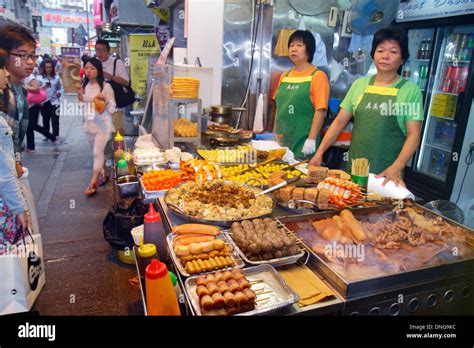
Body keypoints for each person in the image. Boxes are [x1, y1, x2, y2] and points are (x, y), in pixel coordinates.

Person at [310, 27, 423, 187]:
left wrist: (398, 166)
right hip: (354, 170)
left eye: (393, 52)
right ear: (374, 54)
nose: (385, 56)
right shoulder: (359, 85)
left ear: (402, 58)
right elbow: (340, 122)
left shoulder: (410, 90)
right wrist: (319, 152)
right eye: (380, 50)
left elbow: (414, 135)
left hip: (387, 174)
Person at [272, 30, 330, 158]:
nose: (293, 49)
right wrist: (274, 134)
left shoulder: (317, 76)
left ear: (309, 50)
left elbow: (320, 111)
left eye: (299, 45)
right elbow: (279, 108)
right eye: (291, 45)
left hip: (303, 141)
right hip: (282, 140)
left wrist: (311, 139)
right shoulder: (284, 76)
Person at [0, 24, 37, 176]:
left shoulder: (21, 90)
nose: (30, 62)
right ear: (4, 55)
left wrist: (17, 162)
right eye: (22, 55)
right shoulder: (2, 91)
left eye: (32, 55)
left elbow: (16, 141)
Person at [0, 48, 29, 244]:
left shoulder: (19, 91)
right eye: (2, 68)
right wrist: (20, 208)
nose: (6, 73)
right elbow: (3, 172)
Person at [77, 58, 116, 197]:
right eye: (86, 68)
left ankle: (92, 183)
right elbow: (81, 105)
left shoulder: (106, 87)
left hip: (103, 126)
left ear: (98, 70)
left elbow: (112, 108)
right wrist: (80, 95)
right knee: (98, 154)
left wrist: (105, 99)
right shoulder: (84, 85)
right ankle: (104, 174)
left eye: (92, 68)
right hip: (89, 125)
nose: (89, 71)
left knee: (96, 153)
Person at [94, 39, 130, 133]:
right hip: (99, 109)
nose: (100, 52)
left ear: (108, 51)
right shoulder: (93, 65)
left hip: (115, 108)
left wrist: (110, 77)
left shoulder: (116, 63)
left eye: (103, 50)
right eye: (97, 50)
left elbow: (126, 82)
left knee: (117, 134)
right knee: (101, 137)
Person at [24, 72, 59, 153]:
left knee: (33, 125)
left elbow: (36, 89)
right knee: (28, 126)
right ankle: (31, 147)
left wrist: (25, 87)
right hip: (28, 105)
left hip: (34, 105)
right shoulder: (23, 77)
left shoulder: (29, 77)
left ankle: (52, 137)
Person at [38, 59, 62, 140]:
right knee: (45, 119)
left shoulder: (57, 78)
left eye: (50, 67)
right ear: (44, 68)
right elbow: (36, 89)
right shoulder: (39, 78)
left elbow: (59, 88)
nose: (48, 69)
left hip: (54, 101)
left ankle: (56, 136)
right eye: (47, 67)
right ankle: (47, 135)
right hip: (44, 101)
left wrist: (59, 92)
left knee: (55, 120)